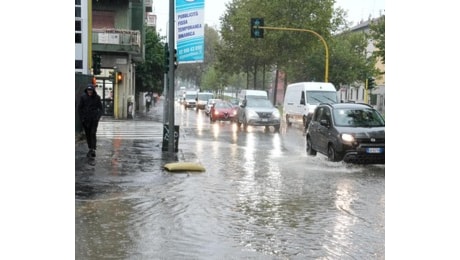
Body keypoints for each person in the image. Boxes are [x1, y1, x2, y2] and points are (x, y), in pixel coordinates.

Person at [78, 84, 103, 157]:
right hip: (86, 119)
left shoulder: (97, 98)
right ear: (87, 90)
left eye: (91, 90)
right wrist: (82, 118)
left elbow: (101, 108)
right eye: (88, 90)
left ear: (93, 91)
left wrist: (97, 117)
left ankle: (93, 149)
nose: (90, 92)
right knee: (88, 134)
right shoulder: (83, 97)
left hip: (94, 119)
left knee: (93, 133)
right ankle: (90, 148)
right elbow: (79, 108)